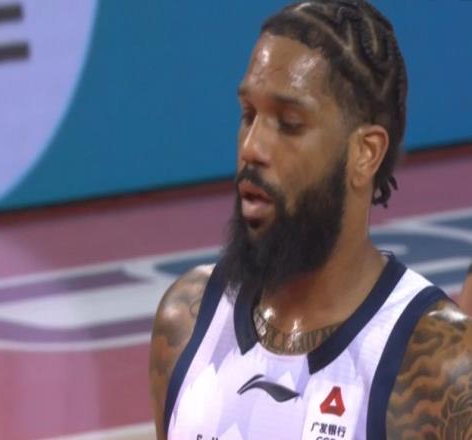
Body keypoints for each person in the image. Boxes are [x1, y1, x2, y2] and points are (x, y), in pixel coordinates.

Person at [149, 1, 472, 438]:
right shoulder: (185, 322)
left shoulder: (436, 367)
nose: (252, 148)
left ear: (365, 153)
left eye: (289, 123)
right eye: (248, 115)